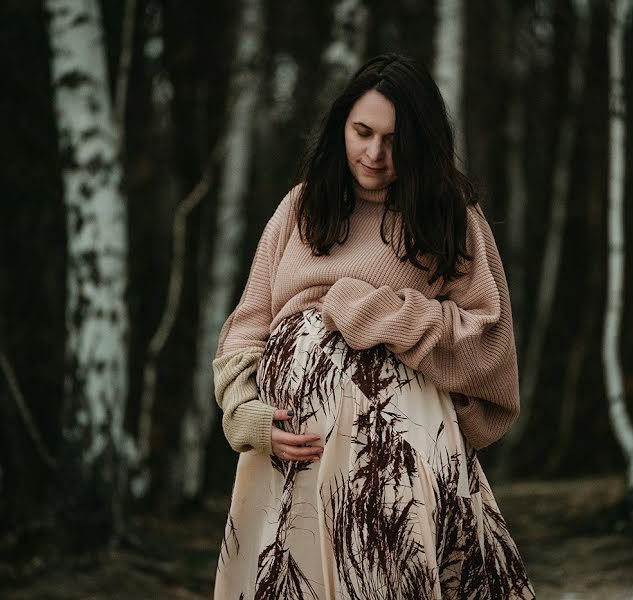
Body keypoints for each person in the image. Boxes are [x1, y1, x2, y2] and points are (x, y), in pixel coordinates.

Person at [211, 53, 535, 599]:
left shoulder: (448, 214)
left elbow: (488, 341)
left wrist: (379, 312)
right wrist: (245, 413)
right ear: (342, 124)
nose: (376, 154)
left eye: (395, 139)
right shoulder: (300, 208)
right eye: (362, 132)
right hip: (294, 468)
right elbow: (247, 328)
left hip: (394, 468)